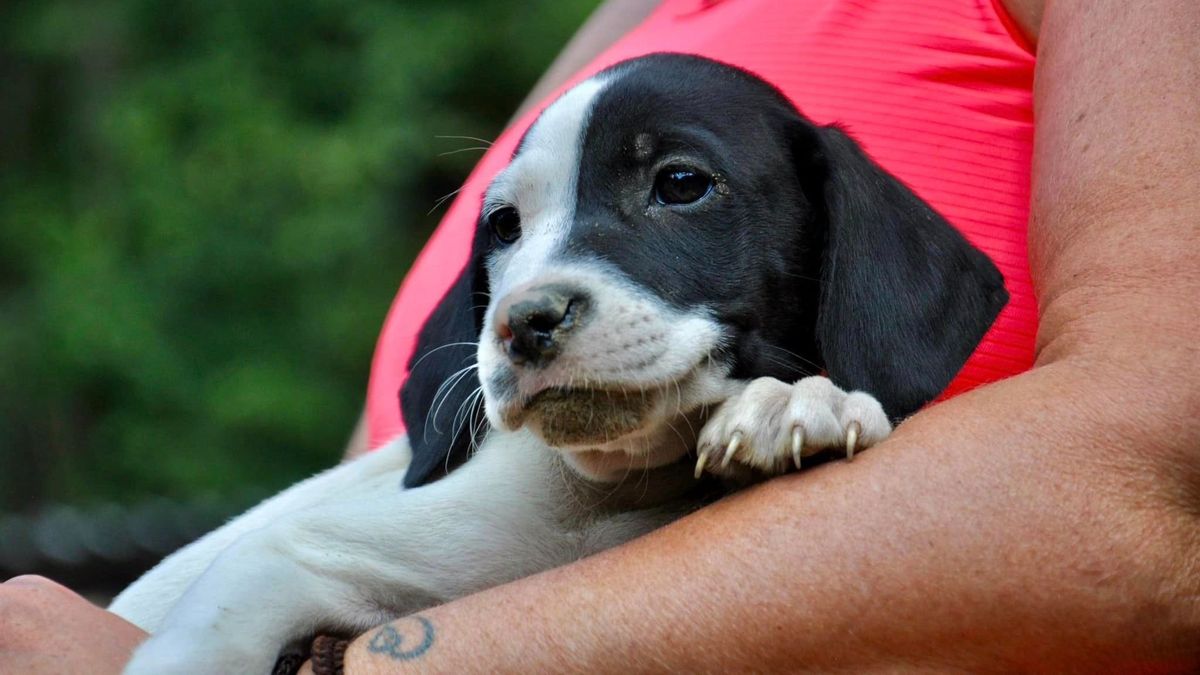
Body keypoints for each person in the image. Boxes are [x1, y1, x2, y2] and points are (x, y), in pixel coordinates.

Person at [3, 0, 1198, 672]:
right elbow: (376, 494)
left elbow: (1153, 500)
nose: (529, 288)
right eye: (506, 232)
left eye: (677, 185)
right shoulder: (620, 31)